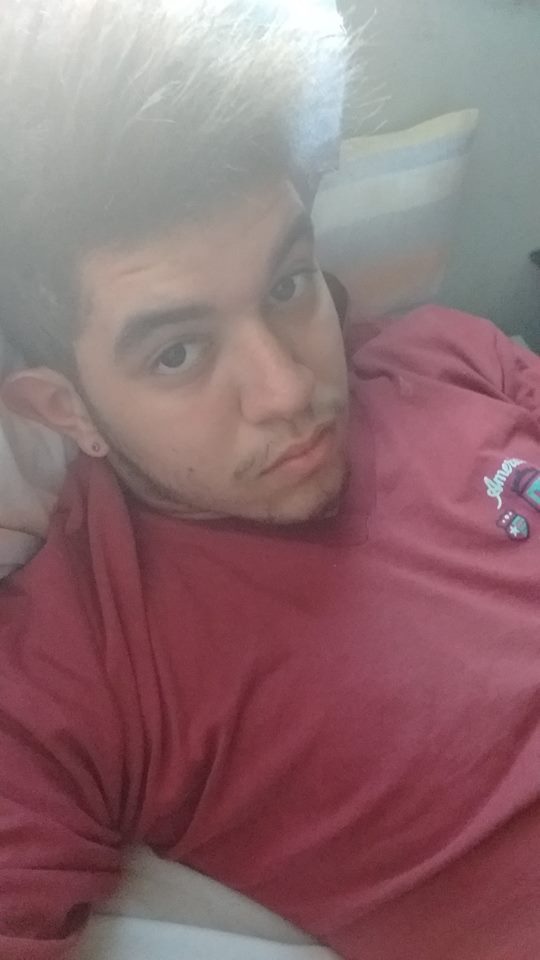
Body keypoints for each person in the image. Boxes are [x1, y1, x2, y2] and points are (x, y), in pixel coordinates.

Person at [0, 2, 539, 959]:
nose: (290, 390)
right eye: (177, 353)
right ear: (66, 408)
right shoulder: (73, 667)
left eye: (288, 285)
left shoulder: (449, 356)